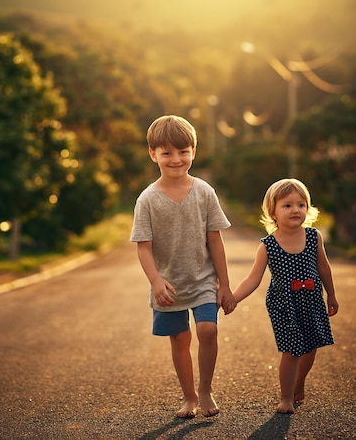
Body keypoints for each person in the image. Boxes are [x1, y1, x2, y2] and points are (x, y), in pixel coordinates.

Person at [130, 115, 236, 419]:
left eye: (183, 151)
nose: (176, 159)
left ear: (194, 150)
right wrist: (155, 281)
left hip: (203, 279)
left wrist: (224, 284)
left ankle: (205, 390)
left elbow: (215, 241)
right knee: (180, 340)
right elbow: (143, 247)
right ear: (153, 154)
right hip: (169, 286)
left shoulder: (204, 192)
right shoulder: (147, 200)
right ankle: (189, 397)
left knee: (207, 329)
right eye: (166, 153)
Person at [233, 178, 339, 414]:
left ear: (308, 208)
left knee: (311, 347)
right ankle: (286, 397)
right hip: (284, 305)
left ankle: (299, 381)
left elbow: (323, 267)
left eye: (301, 204)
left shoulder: (314, 237)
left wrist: (331, 295)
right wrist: (233, 298)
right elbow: (252, 278)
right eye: (287, 205)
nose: (295, 210)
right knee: (291, 350)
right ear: (273, 211)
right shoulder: (268, 245)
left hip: (312, 301)